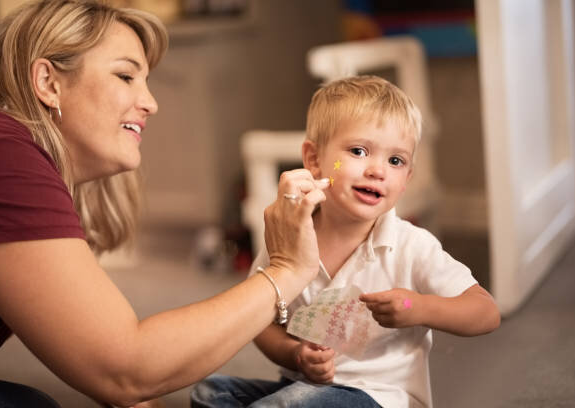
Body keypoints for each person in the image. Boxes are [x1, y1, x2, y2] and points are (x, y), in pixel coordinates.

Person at [0, 1, 330, 407]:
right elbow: (125, 368)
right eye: (125, 76)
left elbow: (98, 348)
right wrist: (286, 271)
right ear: (48, 82)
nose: (150, 103)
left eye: (147, 81)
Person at [190, 75, 501, 408]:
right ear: (314, 159)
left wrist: (417, 307)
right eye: (358, 151)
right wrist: (295, 354)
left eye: (395, 161)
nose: (378, 170)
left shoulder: (412, 246)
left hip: (378, 397)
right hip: (302, 388)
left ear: (406, 178)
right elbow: (259, 322)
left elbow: (485, 312)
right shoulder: (290, 235)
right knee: (210, 392)